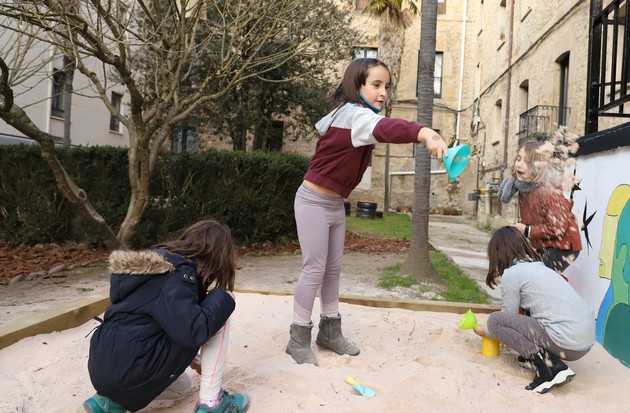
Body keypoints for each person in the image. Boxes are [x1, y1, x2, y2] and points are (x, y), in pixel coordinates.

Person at [287, 57, 449, 366]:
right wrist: (425, 132)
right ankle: (298, 338)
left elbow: (381, 127)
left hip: (334, 204)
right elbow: (388, 128)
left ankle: (330, 332)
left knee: (332, 270)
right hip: (312, 201)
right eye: (375, 85)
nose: (383, 92)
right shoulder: (355, 116)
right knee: (314, 269)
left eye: (386, 86)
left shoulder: (357, 116)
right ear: (356, 85)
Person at [83, 220, 250, 413]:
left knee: (182, 387)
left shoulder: (152, 272)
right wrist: (224, 298)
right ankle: (212, 403)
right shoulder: (178, 275)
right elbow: (195, 330)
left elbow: (152, 325)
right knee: (219, 308)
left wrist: (191, 359)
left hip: (102, 371)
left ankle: (109, 403)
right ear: (215, 258)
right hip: (131, 371)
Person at [472, 226, 595, 393]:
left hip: (567, 342)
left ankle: (548, 368)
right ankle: (546, 360)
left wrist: (484, 331)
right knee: (526, 318)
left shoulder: (512, 274)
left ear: (497, 253)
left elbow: (506, 317)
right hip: (585, 342)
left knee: (495, 320)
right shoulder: (540, 267)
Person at [498, 139, 582, 273]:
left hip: (564, 247)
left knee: (538, 277)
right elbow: (534, 217)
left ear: (539, 168)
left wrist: (526, 229)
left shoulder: (547, 191)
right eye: (519, 159)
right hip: (545, 243)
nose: (519, 164)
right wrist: (522, 226)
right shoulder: (525, 188)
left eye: (527, 162)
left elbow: (558, 228)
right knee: (531, 275)